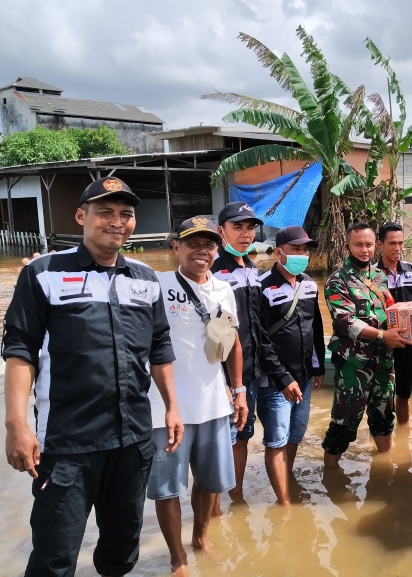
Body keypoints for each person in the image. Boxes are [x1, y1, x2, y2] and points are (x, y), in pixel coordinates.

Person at [2, 177, 184, 577]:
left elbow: (159, 347)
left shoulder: (145, 278)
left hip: (133, 440)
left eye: (126, 214)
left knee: (121, 551)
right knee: (54, 557)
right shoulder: (43, 273)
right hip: (68, 444)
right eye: (105, 212)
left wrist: (172, 407)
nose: (116, 221)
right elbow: (20, 351)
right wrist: (16, 423)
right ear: (81, 216)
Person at [147, 217, 246, 576]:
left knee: (209, 482)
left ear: (217, 249)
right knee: (167, 488)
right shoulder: (156, 284)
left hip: (214, 404)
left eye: (209, 244)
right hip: (166, 408)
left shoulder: (224, 289)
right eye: (192, 243)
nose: (202, 251)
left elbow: (232, 342)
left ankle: (200, 539)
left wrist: (239, 390)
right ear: (176, 247)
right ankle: (177, 558)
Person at [211, 201, 287, 497]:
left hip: (254, 370)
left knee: (242, 435)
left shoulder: (253, 269)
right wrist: (227, 382)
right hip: (228, 375)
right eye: (237, 227)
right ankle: (219, 507)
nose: (246, 234)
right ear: (221, 231)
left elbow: (257, 327)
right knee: (228, 439)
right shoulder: (214, 272)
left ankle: (237, 497)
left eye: (250, 228)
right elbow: (216, 333)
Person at [322, 222, 411, 467]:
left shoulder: (380, 277)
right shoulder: (337, 280)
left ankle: (385, 469)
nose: (364, 250)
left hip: (383, 360)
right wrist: (383, 336)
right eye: (358, 244)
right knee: (344, 422)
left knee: (384, 417)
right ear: (347, 245)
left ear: (376, 245)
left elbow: (391, 312)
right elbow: (345, 323)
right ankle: (330, 474)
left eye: (369, 245)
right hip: (354, 364)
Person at [257, 225, 326, 504]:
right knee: (276, 440)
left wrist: (319, 367)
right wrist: (283, 379)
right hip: (276, 381)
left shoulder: (309, 284)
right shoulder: (263, 287)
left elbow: (316, 328)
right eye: (295, 249)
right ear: (279, 252)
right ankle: (284, 503)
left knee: (295, 435)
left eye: (305, 249)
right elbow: (261, 339)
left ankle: (287, 479)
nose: (302, 254)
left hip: (306, 375)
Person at [375, 221, 412, 424]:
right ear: (379, 244)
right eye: (392, 243)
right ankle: (382, 433)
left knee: (404, 394)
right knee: (380, 394)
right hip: (381, 344)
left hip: (409, 345)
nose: (397, 248)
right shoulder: (371, 275)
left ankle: (403, 437)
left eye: (400, 243)